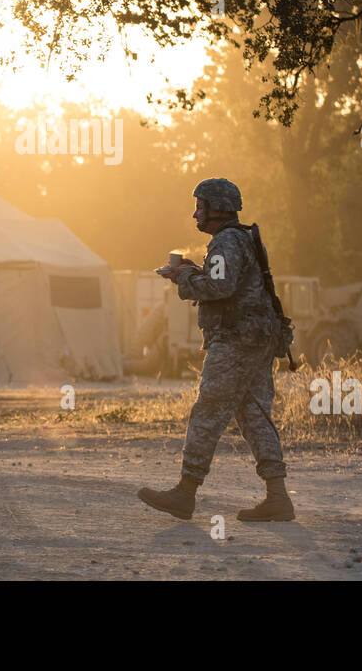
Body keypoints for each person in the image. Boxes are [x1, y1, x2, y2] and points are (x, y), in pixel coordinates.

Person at [139, 178, 295, 522]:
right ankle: (278, 498)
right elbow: (230, 283)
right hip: (258, 338)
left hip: (236, 340)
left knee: (209, 409)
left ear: (217, 208)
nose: (196, 213)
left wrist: (183, 278)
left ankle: (185, 493)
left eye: (200, 206)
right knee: (254, 415)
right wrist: (196, 271)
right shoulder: (243, 238)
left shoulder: (226, 241)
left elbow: (220, 287)